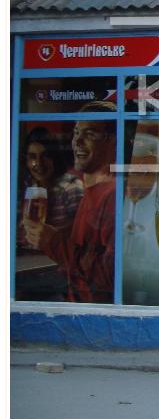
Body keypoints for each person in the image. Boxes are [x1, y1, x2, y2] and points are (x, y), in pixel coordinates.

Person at [23, 101, 117, 303]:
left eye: (89, 134)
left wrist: (53, 242)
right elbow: (80, 262)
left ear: (114, 144)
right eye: (76, 133)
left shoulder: (114, 194)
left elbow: (111, 276)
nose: (77, 141)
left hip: (91, 315)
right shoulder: (89, 191)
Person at [16, 126, 85, 301]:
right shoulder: (28, 185)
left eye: (45, 155)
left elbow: (83, 239)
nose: (38, 163)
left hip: (59, 274)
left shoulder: (70, 186)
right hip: (29, 270)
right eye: (32, 157)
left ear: (54, 157)